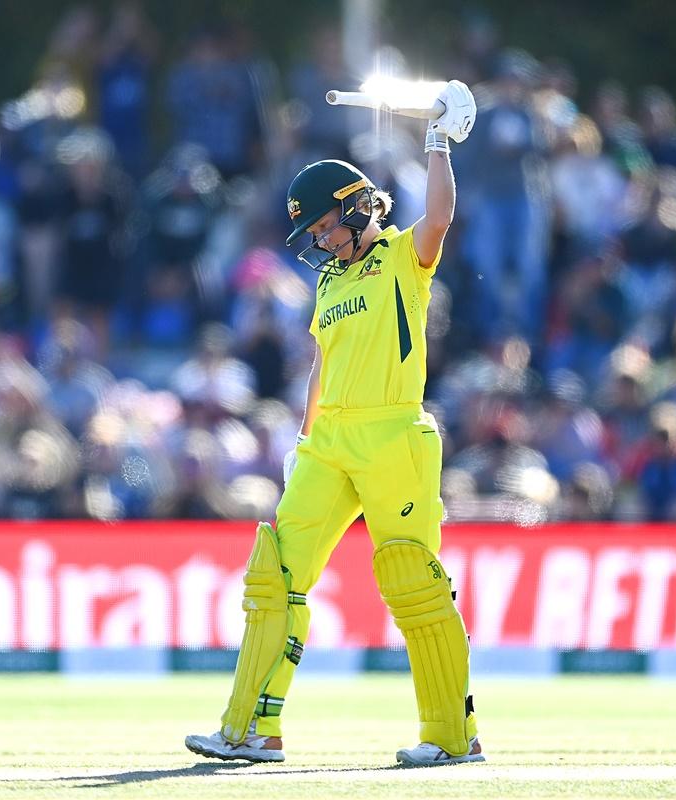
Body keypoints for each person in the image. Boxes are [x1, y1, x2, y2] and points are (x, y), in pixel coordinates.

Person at [186, 80, 482, 767]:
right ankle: (250, 729)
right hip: (329, 443)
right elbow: (321, 365)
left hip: (394, 435)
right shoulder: (328, 282)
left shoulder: (404, 258)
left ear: (355, 209)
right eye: (312, 232)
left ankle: (450, 735)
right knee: (274, 573)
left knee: (411, 578)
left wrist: (438, 140)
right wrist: (302, 439)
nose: (318, 240)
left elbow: (438, 217)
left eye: (323, 226)